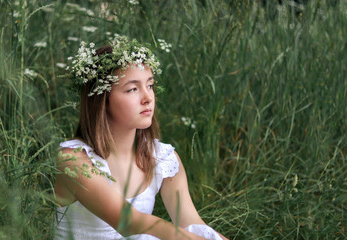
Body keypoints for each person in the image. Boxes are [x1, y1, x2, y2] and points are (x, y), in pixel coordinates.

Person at [54, 36, 228, 240]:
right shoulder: (73, 160)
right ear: (102, 100)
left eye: (150, 85)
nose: (148, 98)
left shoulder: (162, 159)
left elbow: (192, 225)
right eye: (133, 89)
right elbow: (128, 222)